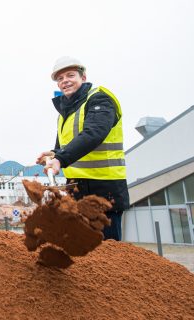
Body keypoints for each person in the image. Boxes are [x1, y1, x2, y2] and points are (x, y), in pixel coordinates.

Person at [37, 56, 129, 241]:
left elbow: (94, 133)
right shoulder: (65, 112)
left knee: (106, 251)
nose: (65, 81)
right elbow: (65, 147)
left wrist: (60, 159)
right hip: (77, 188)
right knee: (83, 249)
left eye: (70, 75)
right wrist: (54, 154)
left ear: (83, 77)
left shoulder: (100, 100)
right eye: (60, 79)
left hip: (103, 189)